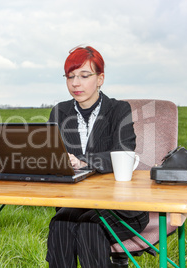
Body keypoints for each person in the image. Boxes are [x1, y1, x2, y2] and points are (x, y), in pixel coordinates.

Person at [46, 45, 150, 267]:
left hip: (120, 207)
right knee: (60, 225)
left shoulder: (118, 110)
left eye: (84, 76)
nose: (75, 83)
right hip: (75, 203)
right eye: (70, 76)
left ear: (100, 78)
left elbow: (124, 153)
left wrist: (82, 161)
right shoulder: (59, 111)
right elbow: (49, 154)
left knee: (89, 227)